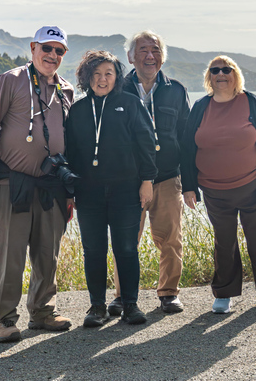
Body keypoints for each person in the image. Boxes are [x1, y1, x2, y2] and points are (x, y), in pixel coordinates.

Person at [0, 25, 75, 343]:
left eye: (59, 51)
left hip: (52, 185)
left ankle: (43, 311)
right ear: (33, 48)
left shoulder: (66, 89)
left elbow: (70, 141)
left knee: (48, 253)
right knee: (9, 254)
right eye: (47, 48)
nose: (52, 55)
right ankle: (3, 319)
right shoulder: (11, 80)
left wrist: (71, 191)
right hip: (11, 182)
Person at [180, 55, 256, 314]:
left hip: (254, 188)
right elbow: (187, 148)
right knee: (224, 242)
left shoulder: (251, 102)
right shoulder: (201, 107)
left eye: (226, 69)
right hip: (215, 192)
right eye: (215, 70)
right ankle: (224, 294)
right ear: (209, 76)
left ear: (235, 74)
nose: (221, 74)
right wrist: (189, 186)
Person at [65, 50, 158, 327]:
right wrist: (71, 189)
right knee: (93, 250)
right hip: (89, 193)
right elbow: (70, 151)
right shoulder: (79, 110)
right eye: (95, 74)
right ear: (86, 78)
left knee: (126, 249)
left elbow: (147, 143)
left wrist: (147, 181)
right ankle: (96, 307)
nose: (102, 79)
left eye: (108, 73)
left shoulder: (129, 103)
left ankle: (130, 305)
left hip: (126, 191)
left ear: (117, 76)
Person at [106, 31, 191, 315]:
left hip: (167, 177)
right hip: (128, 180)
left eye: (155, 50)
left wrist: (190, 183)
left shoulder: (176, 91)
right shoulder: (118, 89)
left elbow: (188, 139)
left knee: (170, 239)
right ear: (131, 57)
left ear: (162, 56)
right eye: (142, 50)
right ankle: (122, 296)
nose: (149, 56)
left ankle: (168, 293)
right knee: (126, 240)